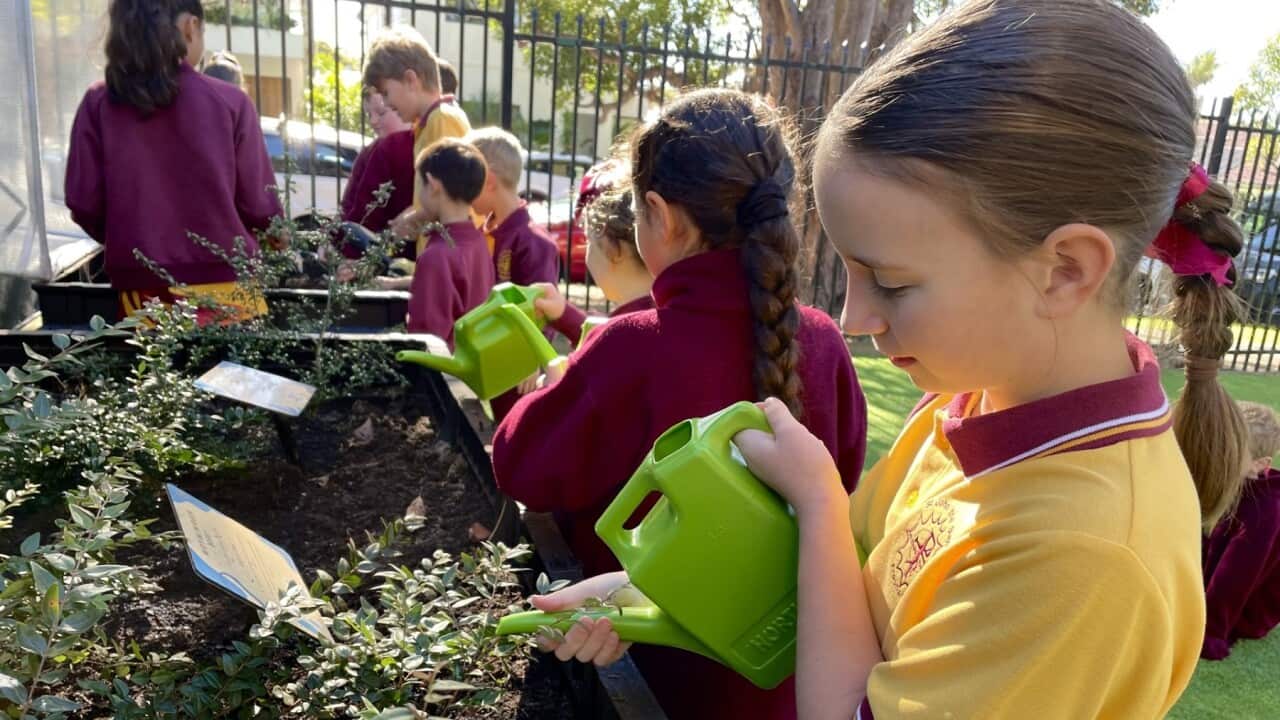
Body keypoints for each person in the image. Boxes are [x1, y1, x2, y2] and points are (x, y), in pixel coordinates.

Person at [538, 2, 1254, 718]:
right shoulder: (972, 401)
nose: (854, 318)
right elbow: (841, 585)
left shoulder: (1084, 557)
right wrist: (649, 590)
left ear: (1065, 269)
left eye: (892, 281)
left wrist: (818, 500)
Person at [492, 88, 867, 720]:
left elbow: (518, 463)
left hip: (660, 684)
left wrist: (558, 381)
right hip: (793, 681)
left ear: (661, 216)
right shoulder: (824, 342)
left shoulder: (631, 345)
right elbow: (843, 480)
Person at [66, 0, 283, 324]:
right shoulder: (231, 102)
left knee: (156, 372)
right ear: (189, 27)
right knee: (231, 373)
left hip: (143, 293)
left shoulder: (99, 104)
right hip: (230, 288)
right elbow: (261, 208)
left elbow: (84, 203)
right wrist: (278, 245)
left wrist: (132, 239)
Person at [361, 26, 471, 250]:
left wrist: (413, 219)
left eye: (386, 93)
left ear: (411, 80)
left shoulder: (442, 120)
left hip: (448, 257)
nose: (386, 102)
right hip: (439, 253)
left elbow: (452, 198)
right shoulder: (429, 123)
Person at [533, 160, 653, 348]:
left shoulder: (622, 337)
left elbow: (602, 348)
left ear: (613, 249)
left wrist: (553, 378)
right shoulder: (661, 318)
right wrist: (563, 312)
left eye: (589, 241)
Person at [1202, 401, 1280, 660]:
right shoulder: (1230, 481)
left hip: (1247, 606)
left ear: (1259, 464)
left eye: (1231, 452)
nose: (1218, 455)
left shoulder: (1264, 511)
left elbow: (1236, 576)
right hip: (1207, 582)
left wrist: (1210, 632)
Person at [404, 138, 494, 347]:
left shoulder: (437, 256)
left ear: (433, 185)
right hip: (470, 368)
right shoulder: (478, 240)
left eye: (420, 185)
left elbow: (426, 339)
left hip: (445, 373)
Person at [339, 87, 415, 243]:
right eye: (368, 114)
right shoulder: (368, 153)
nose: (372, 121)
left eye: (381, 113)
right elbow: (350, 207)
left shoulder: (424, 145)